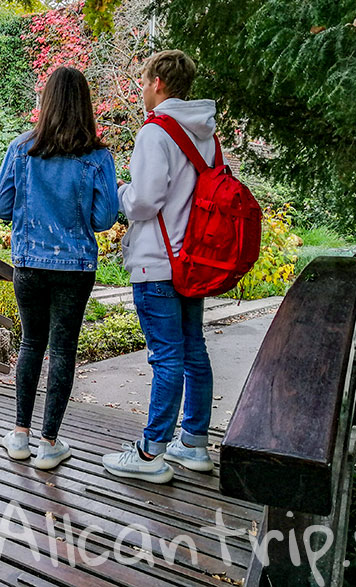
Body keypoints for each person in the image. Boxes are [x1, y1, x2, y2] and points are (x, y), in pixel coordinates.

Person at [0, 66, 119, 470]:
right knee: (63, 349)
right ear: (84, 106)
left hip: (29, 261)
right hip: (75, 266)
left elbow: (1, 207)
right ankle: (49, 443)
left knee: (31, 344)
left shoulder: (20, 149)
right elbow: (103, 218)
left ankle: (19, 435)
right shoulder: (98, 158)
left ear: (45, 102)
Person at [102, 50, 217, 483]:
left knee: (166, 356)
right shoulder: (206, 134)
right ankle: (193, 443)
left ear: (160, 84)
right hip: (193, 258)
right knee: (193, 350)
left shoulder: (156, 131)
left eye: (144, 81)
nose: (141, 89)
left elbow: (145, 201)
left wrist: (120, 193)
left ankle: (151, 454)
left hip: (157, 260)